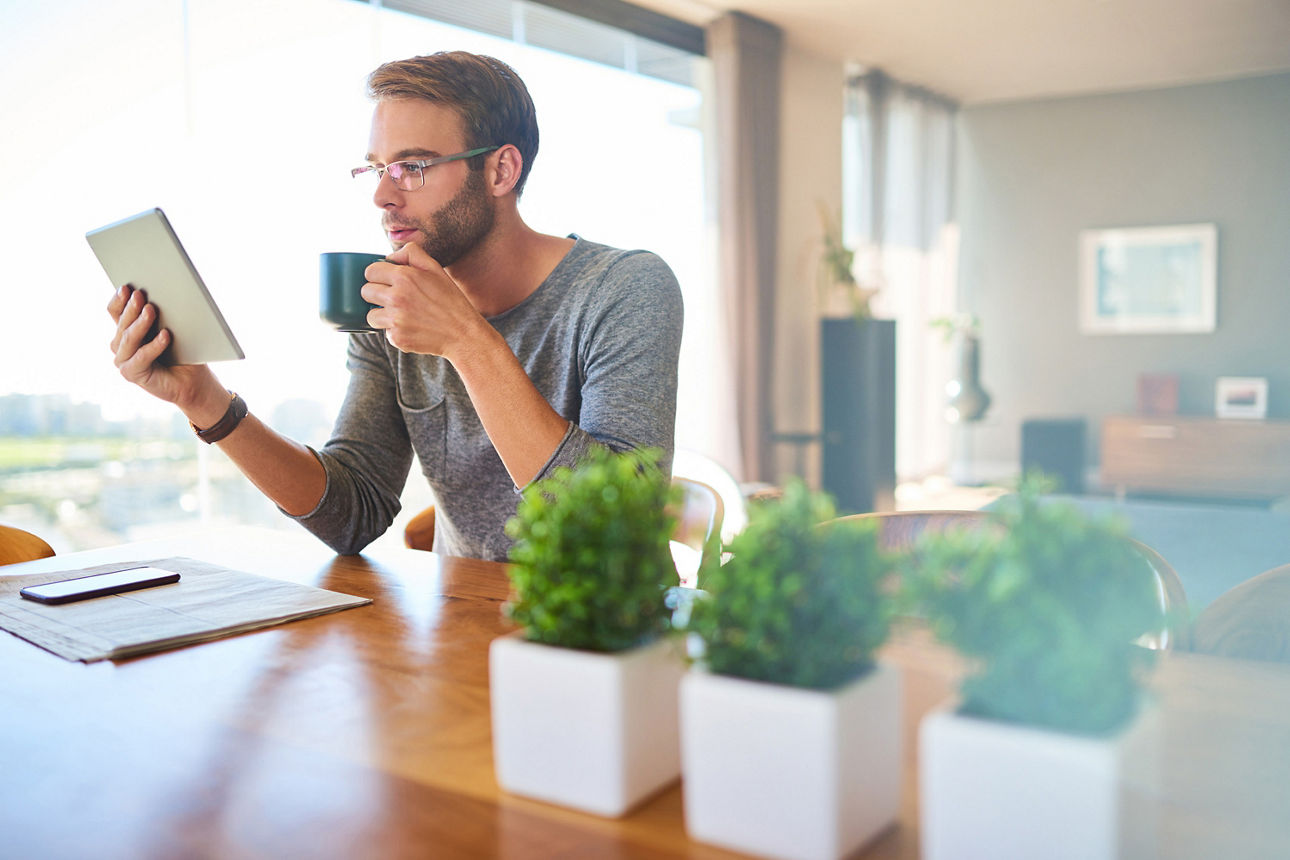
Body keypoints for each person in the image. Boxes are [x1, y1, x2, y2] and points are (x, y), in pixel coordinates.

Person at [107, 51, 683, 561]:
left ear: (501, 170)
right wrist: (205, 401)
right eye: (378, 168)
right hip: (465, 629)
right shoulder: (384, 306)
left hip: (611, 643)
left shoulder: (624, 287)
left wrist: (465, 340)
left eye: (414, 165)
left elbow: (621, 526)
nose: (384, 194)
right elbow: (352, 513)